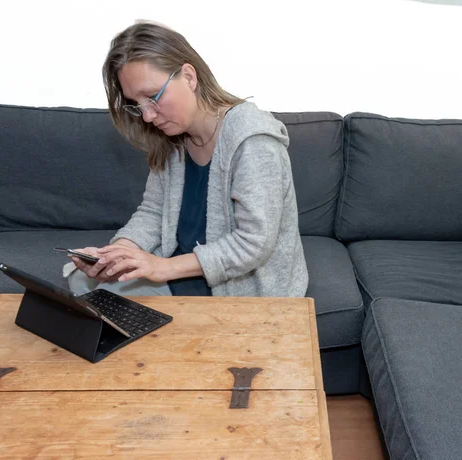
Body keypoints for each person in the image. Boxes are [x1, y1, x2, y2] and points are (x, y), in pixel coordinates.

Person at [65, 20, 308, 298]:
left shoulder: (252, 140)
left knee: (99, 301)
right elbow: (154, 212)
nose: (147, 115)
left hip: (236, 288)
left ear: (189, 77)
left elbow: (253, 244)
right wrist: (120, 252)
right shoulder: (172, 137)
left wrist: (161, 268)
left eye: (153, 96)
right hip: (178, 274)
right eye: (137, 104)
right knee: (81, 281)